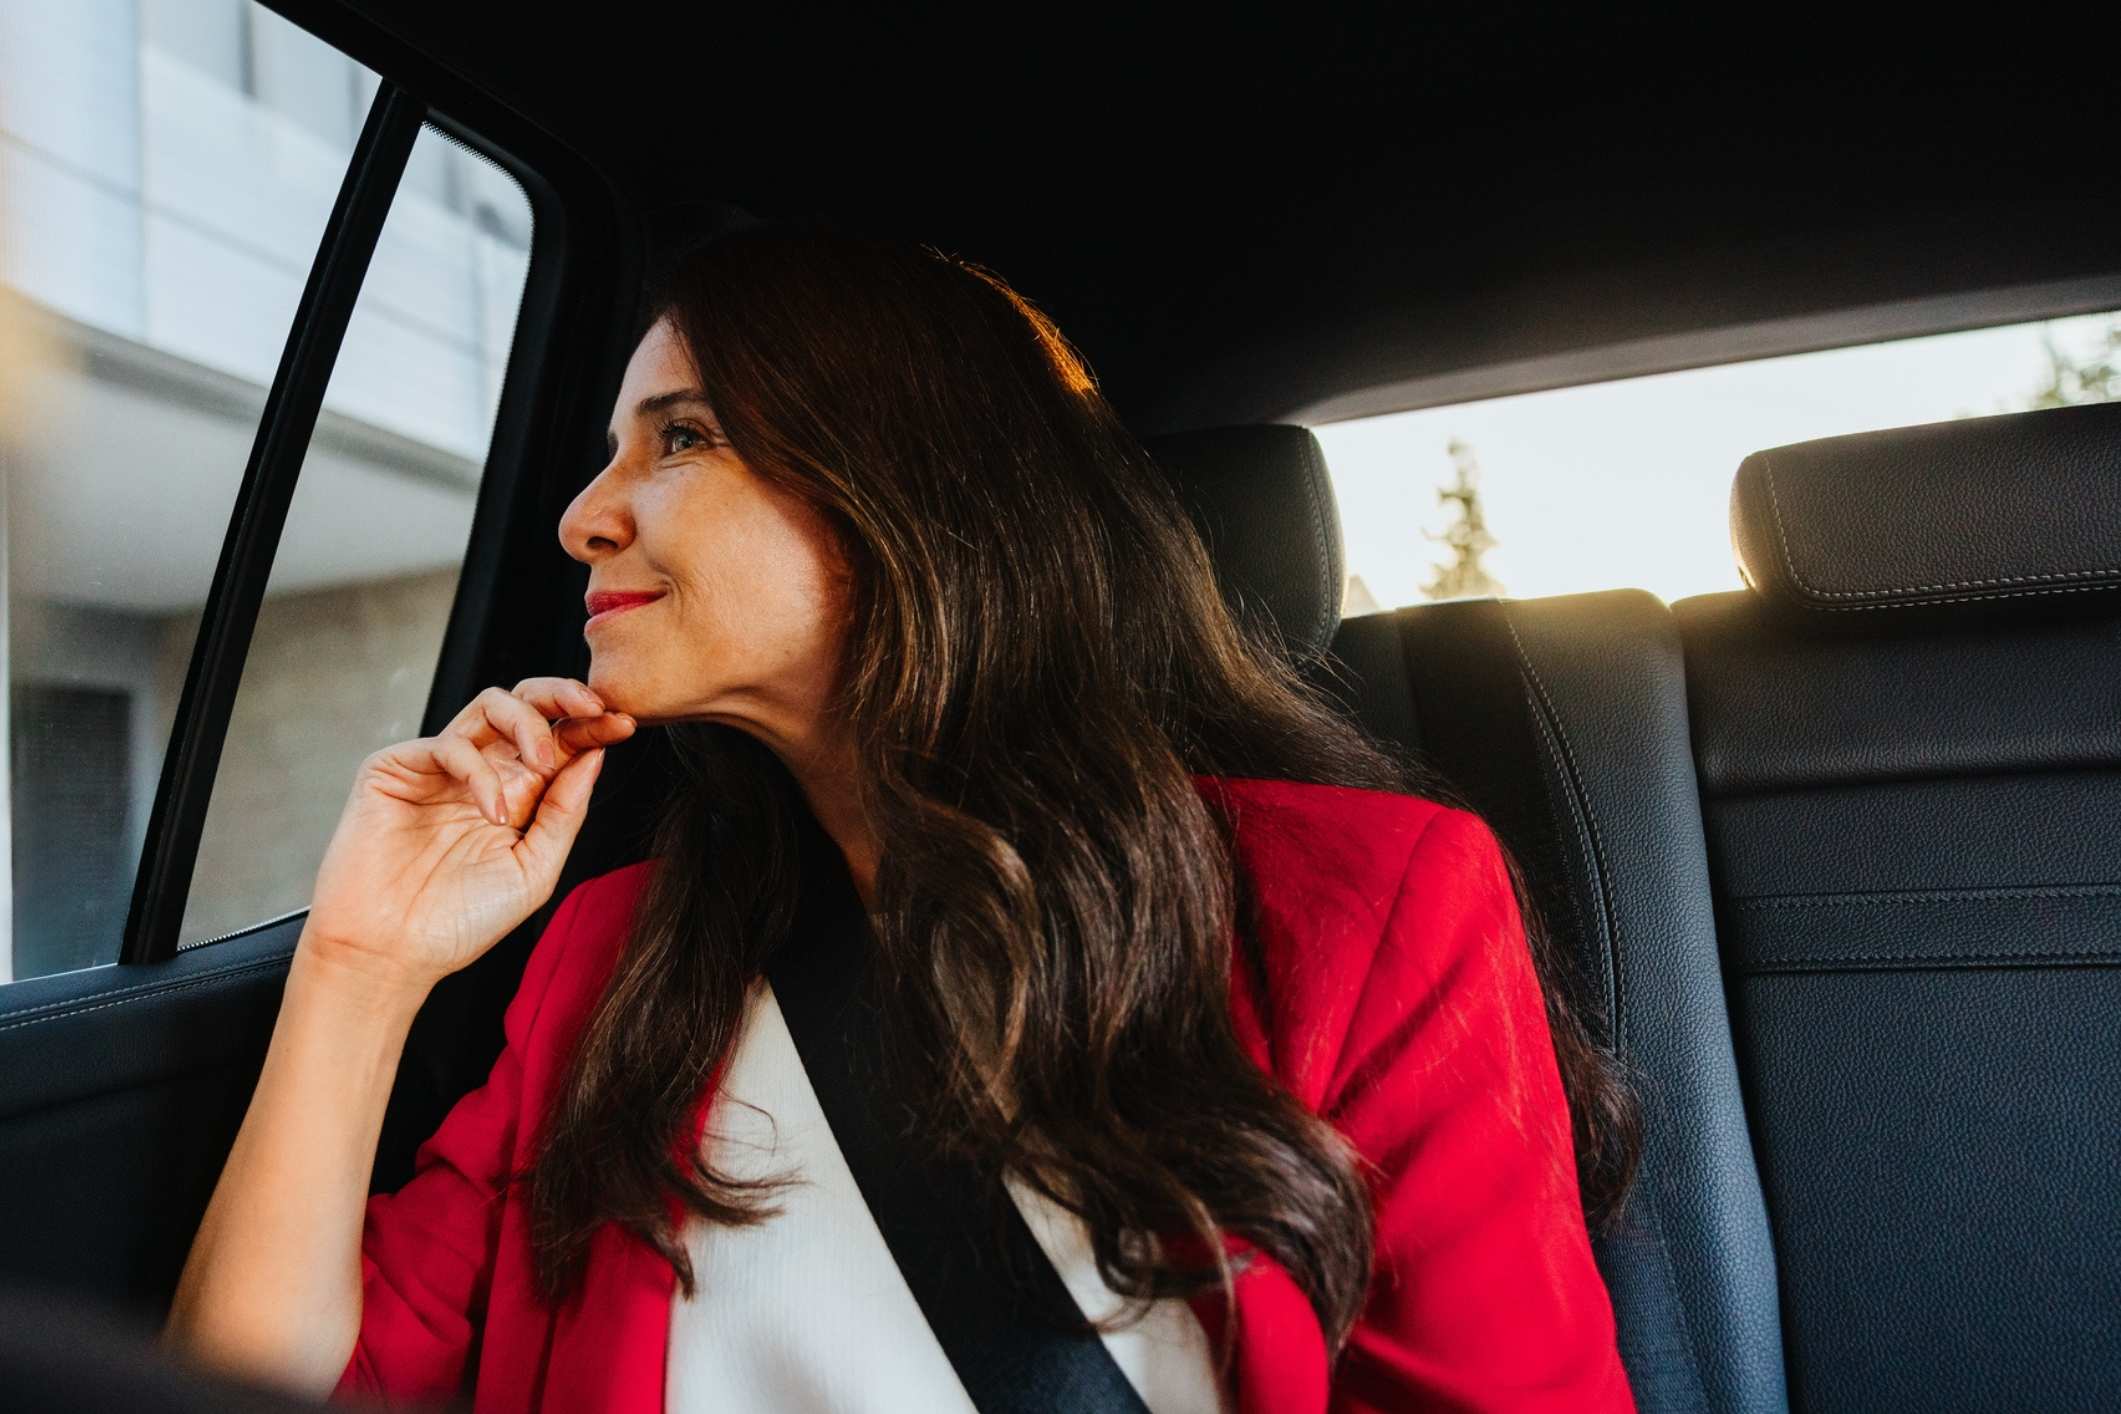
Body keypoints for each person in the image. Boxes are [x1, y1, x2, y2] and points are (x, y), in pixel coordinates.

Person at [159, 220, 1640, 1413]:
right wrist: (360, 966)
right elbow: (262, 1386)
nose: (584, 516)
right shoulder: (611, 960)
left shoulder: (1357, 905)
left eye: (679, 440)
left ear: (915, 491)